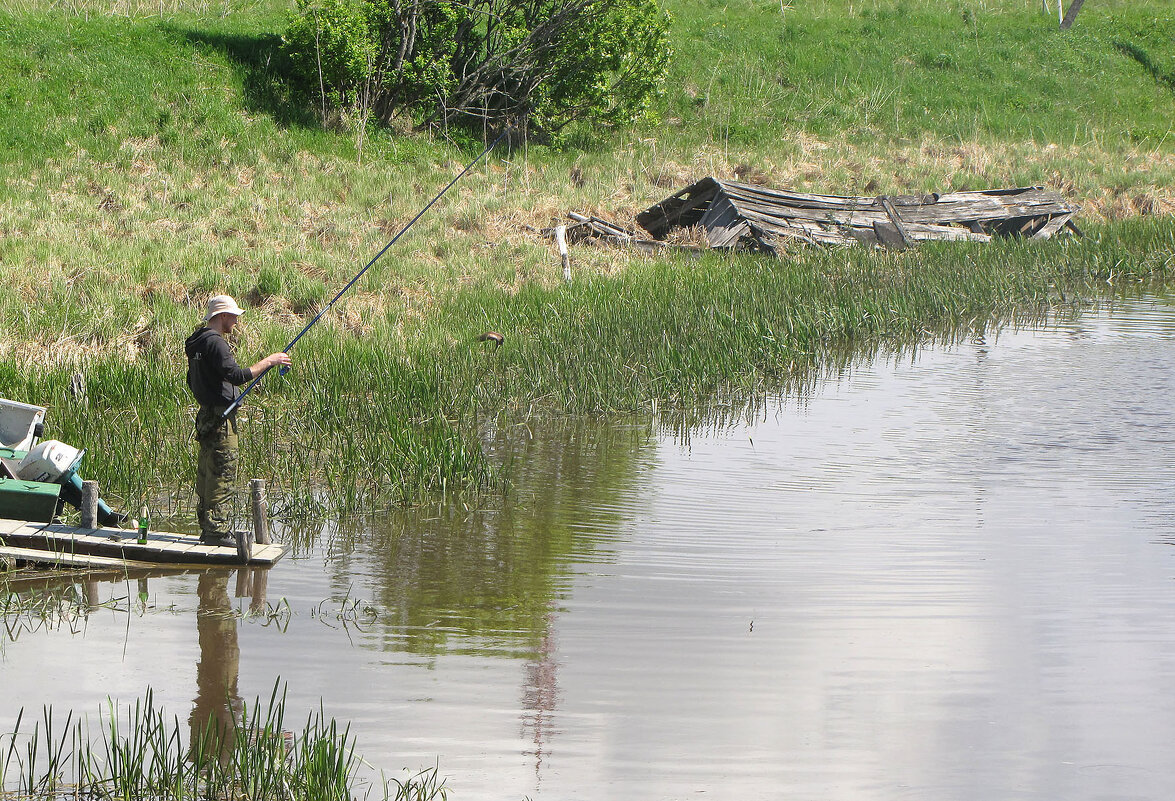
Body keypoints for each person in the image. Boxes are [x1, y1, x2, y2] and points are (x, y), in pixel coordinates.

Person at [185, 295, 291, 546]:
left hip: (205, 415)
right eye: (233, 316)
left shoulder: (196, 342)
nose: (236, 321)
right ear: (222, 316)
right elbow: (237, 375)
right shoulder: (216, 343)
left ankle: (207, 528)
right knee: (223, 470)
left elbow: (191, 380)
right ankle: (218, 533)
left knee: (206, 472)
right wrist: (271, 361)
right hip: (221, 418)